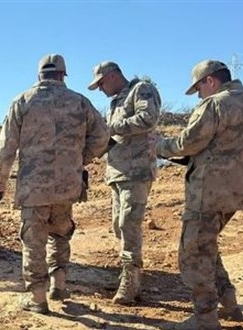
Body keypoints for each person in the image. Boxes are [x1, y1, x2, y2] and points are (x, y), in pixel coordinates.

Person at [0, 54, 109, 314]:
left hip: (34, 187)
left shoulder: (22, 101)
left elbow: (6, 146)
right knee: (60, 233)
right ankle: (60, 284)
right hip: (68, 185)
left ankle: (37, 299)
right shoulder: (80, 102)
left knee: (34, 242)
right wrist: (79, 159)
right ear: (62, 75)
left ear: (39, 75)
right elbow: (102, 136)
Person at [156, 60, 243, 329]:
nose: (199, 94)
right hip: (235, 192)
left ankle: (205, 318)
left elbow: (188, 142)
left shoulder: (215, 103)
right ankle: (229, 301)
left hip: (208, 192)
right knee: (207, 245)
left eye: (199, 88)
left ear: (210, 81)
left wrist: (159, 145)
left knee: (193, 253)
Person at [87, 61, 161, 305]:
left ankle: (130, 282)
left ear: (111, 76)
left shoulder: (141, 90)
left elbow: (147, 119)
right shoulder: (115, 102)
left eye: (100, 84)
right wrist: (84, 156)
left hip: (137, 171)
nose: (99, 89)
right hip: (117, 173)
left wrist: (112, 126)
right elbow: (112, 139)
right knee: (118, 227)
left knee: (128, 224)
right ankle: (130, 275)